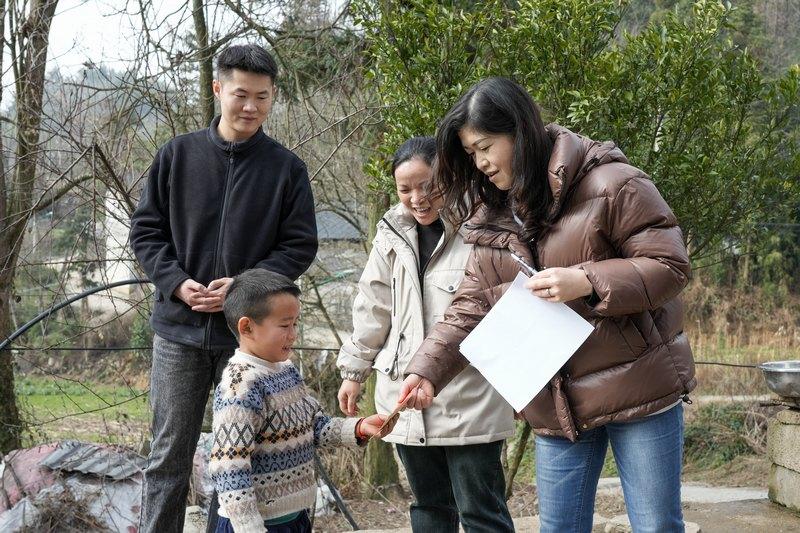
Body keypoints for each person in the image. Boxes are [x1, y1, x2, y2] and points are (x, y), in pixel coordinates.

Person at [399, 78, 695, 533]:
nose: (479, 164)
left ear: (519, 131)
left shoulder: (614, 182)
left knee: (656, 526)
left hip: (641, 388)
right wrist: (426, 370)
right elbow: (471, 304)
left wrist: (587, 280)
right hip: (557, 404)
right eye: (470, 154)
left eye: (485, 147)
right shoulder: (491, 214)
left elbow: (670, 266)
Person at [129, 44, 318, 533]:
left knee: (242, 459)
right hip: (179, 331)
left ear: (274, 97)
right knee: (168, 456)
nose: (250, 107)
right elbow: (146, 232)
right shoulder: (177, 155)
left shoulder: (287, 169)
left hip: (249, 340)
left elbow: (299, 247)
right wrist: (177, 285)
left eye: (262, 96)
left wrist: (244, 285)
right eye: (240, 94)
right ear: (218, 89)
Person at [336, 137, 516, 532]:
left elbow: (502, 310)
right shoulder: (390, 232)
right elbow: (373, 305)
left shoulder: (482, 228)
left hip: (471, 396)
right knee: (429, 507)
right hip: (403, 396)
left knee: (481, 511)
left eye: (427, 186)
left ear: (449, 178)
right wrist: (353, 371)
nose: (416, 198)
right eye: (405, 189)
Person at [210, 269, 396, 533]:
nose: (293, 334)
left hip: (294, 518)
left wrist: (358, 427)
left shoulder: (286, 371)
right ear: (247, 327)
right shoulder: (240, 385)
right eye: (285, 325)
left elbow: (314, 426)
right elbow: (229, 467)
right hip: (255, 525)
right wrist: (250, 527)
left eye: (296, 323)